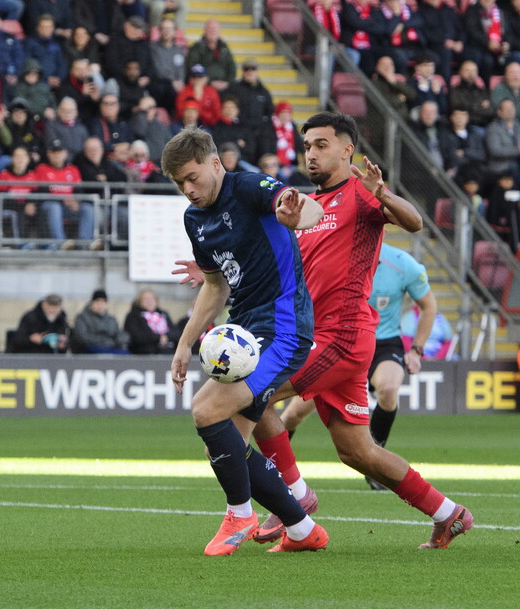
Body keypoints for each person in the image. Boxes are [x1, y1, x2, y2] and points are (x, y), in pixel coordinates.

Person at [175, 112, 473, 550]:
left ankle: (292, 498)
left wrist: (383, 193)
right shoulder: (303, 207)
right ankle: (449, 513)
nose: (310, 154)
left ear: (347, 149)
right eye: (306, 146)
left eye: (320, 145)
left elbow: (415, 223)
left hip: (340, 336)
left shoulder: (362, 194)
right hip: (321, 337)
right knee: (357, 451)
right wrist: (217, 269)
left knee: (242, 400)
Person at [162, 127, 327, 555]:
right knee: (225, 445)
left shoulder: (250, 187)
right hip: (246, 329)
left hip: (284, 326)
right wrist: (184, 344)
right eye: (179, 183)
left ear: (216, 164)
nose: (188, 189)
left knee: (206, 410)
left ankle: (240, 513)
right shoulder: (194, 219)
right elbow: (215, 286)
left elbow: (304, 206)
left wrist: (298, 217)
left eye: (193, 177)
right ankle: (303, 528)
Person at [278, 242, 438, 491]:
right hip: (338, 342)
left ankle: (377, 465)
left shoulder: (403, 264)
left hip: (384, 343)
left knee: (388, 389)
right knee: (293, 414)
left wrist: (416, 350)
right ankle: (276, 468)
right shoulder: (336, 253)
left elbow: (429, 305)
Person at [71, 289, 129, 354]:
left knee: (125, 354)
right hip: (91, 348)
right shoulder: (82, 318)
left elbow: (120, 333)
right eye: (97, 302)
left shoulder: (111, 320)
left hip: (111, 347)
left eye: (103, 302)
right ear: (92, 303)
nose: (100, 305)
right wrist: (105, 341)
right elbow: (82, 337)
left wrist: (119, 340)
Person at [124, 289, 175, 354]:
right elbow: (139, 337)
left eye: (152, 299)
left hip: (168, 350)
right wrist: (159, 338)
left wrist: (166, 337)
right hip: (144, 352)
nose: (149, 301)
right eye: (146, 299)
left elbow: (175, 332)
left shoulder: (163, 314)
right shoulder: (133, 316)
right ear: (139, 301)